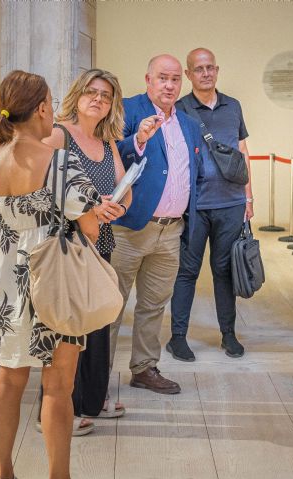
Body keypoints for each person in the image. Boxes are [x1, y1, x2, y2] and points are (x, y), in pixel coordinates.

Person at [0, 70, 100, 479]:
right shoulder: (60, 164)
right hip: (51, 278)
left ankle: (3, 478)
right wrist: (105, 209)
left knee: (8, 380)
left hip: (2, 278)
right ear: (42, 108)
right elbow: (92, 225)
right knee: (58, 388)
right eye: (52, 102)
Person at [35, 69, 131, 436]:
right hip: (66, 247)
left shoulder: (107, 144)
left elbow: (125, 191)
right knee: (65, 334)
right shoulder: (59, 135)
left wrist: (113, 209)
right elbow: (39, 187)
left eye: (105, 96)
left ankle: (91, 401)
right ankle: (57, 414)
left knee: (96, 323)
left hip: (99, 245)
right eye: (91, 92)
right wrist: (88, 210)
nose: (98, 99)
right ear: (76, 95)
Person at [110, 54, 202, 394]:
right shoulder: (129, 109)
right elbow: (110, 154)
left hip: (171, 231)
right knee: (111, 305)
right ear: (148, 79)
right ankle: (96, 377)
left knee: (152, 305)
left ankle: (144, 368)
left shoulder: (189, 123)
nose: (169, 84)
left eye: (176, 79)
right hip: (130, 228)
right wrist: (139, 140)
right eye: (162, 78)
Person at [166, 47, 253, 361]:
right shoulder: (179, 109)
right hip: (194, 206)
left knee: (224, 271)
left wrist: (248, 196)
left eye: (210, 68)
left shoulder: (234, 106)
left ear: (217, 70)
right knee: (187, 272)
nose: (205, 73)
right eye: (198, 69)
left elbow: (242, 154)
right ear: (188, 74)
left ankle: (228, 335)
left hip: (230, 203)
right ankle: (178, 338)